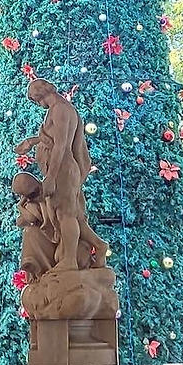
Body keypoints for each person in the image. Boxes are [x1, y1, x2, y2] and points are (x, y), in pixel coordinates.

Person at [14, 80, 109, 273]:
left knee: (66, 216)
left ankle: (70, 260)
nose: (38, 104)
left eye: (36, 100)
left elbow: (61, 146)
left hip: (63, 170)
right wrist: (32, 142)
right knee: (69, 216)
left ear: (40, 95)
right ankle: (99, 246)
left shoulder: (61, 110)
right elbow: (51, 140)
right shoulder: (55, 110)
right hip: (58, 169)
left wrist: (51, 177)